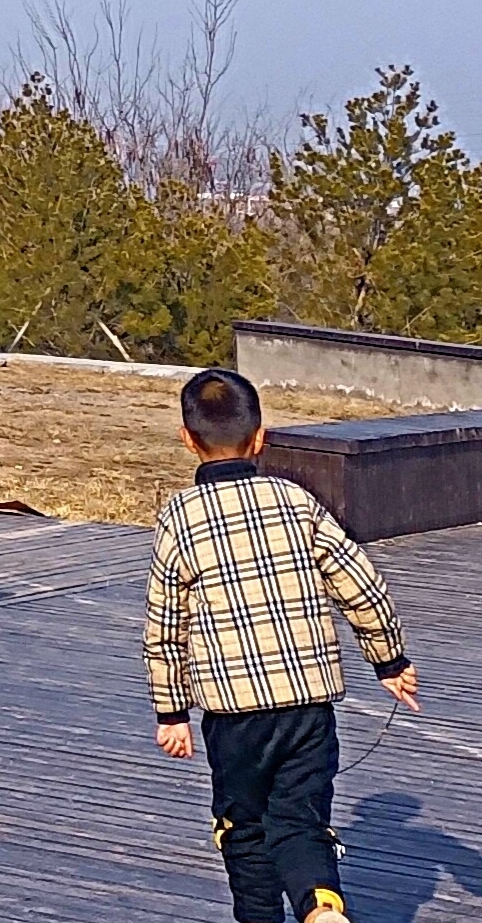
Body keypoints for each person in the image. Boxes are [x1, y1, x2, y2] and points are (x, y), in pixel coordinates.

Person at [144, 365, 420, 922]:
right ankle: (320, 905)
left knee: (243, 827)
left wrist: (172, 712)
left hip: (233, 715)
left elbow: (165, 625)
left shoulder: (180, 518)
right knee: (299, 819)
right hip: (307, 707)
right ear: (261, 438)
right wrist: (389, 660)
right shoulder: (296, 502)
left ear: (187, 439)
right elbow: (359, 583)